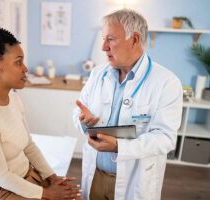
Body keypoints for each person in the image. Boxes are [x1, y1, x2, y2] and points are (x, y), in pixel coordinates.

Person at [73, 9, 183, 200]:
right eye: (103, 39)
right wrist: (83, 120)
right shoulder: (98, 74)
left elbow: (166, 138)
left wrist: (119, 147)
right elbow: (78, 111)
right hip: (95, 174)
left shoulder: (167, 82)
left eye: (110, 39)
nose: (103, 47)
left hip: (135, 180)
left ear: (134, 39)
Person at [0, 25, 81, 200]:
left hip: (21, 177)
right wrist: (47, 193)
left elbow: (28, 145)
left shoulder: (14, 98)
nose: (25, 68)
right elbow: (1, 176)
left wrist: (52, 178)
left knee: (73, 197)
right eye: (18, 62)